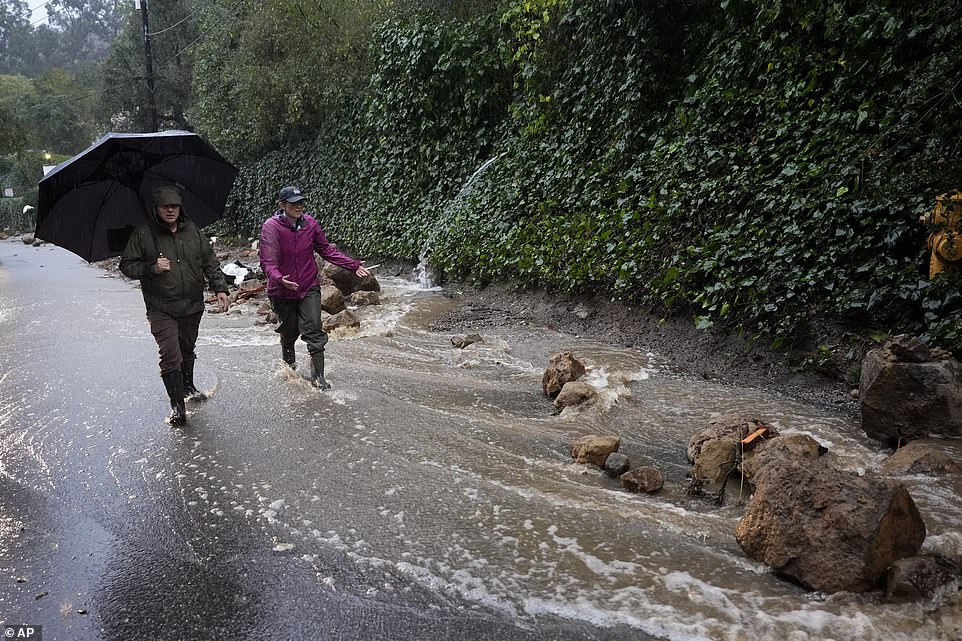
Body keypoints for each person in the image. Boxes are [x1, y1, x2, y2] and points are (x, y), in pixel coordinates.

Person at [120, 185, 230, 425]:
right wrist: (151, 268)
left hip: (192, 304)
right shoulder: (142, 234)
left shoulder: (193, 231)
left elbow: (210, 261)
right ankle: (178, 407)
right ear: (156, 209)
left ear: (180, 208)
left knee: (187, 349)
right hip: (161, 307)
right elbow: (126, 265)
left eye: (174, 206)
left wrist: (220, 288)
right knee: (170, 355)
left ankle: (188, 386)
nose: (170, 210)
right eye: (165, 207)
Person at [259, 185, 370, 389]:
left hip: (308, 286)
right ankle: (289, 367)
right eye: (294, 203)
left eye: (301, 202)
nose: (299, 206)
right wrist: (279, 278)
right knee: (290, 332)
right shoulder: (271, 227)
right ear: (282, 205)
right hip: (282, 289)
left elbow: (326, 250)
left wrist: (353, 265)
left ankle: (318, 377)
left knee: (313, 329)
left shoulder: (310, 224)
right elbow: (267, 261)